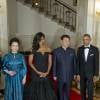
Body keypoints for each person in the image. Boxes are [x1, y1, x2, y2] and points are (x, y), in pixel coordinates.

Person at [24, 32, 57, 100]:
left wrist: (47, 72)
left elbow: (50, 62)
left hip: (45, 73)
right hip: (36, 73)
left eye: (43, 39)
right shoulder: (33, 49)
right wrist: (37, 72)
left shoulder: (48, 49)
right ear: (37, 40)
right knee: (36, 93)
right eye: (40, 39)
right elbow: (30, 62)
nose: (42, 41)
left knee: (47, 92)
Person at [53, 35, 76, 100]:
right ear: (61, 41)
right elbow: (54, 64)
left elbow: (74, 63)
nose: (67, 42)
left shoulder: (72, 51)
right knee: (60, 91)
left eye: (68, 41)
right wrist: (54, 74)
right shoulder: (56, 51)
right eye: (65, 41)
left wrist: (75, 73)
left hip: (69, 75)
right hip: (60, 75)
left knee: (68, 91)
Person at [76, 34, 99, 100]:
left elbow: (96, 62)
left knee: (90, 90)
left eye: (86, 39)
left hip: (91, 74)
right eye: (83, 39)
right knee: (82, 90)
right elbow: (78, 62)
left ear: (90, 40)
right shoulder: (79, 49)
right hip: (81, 73)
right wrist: (77, 74)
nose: (84, 41)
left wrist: (96, 74)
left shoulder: (95, 49)